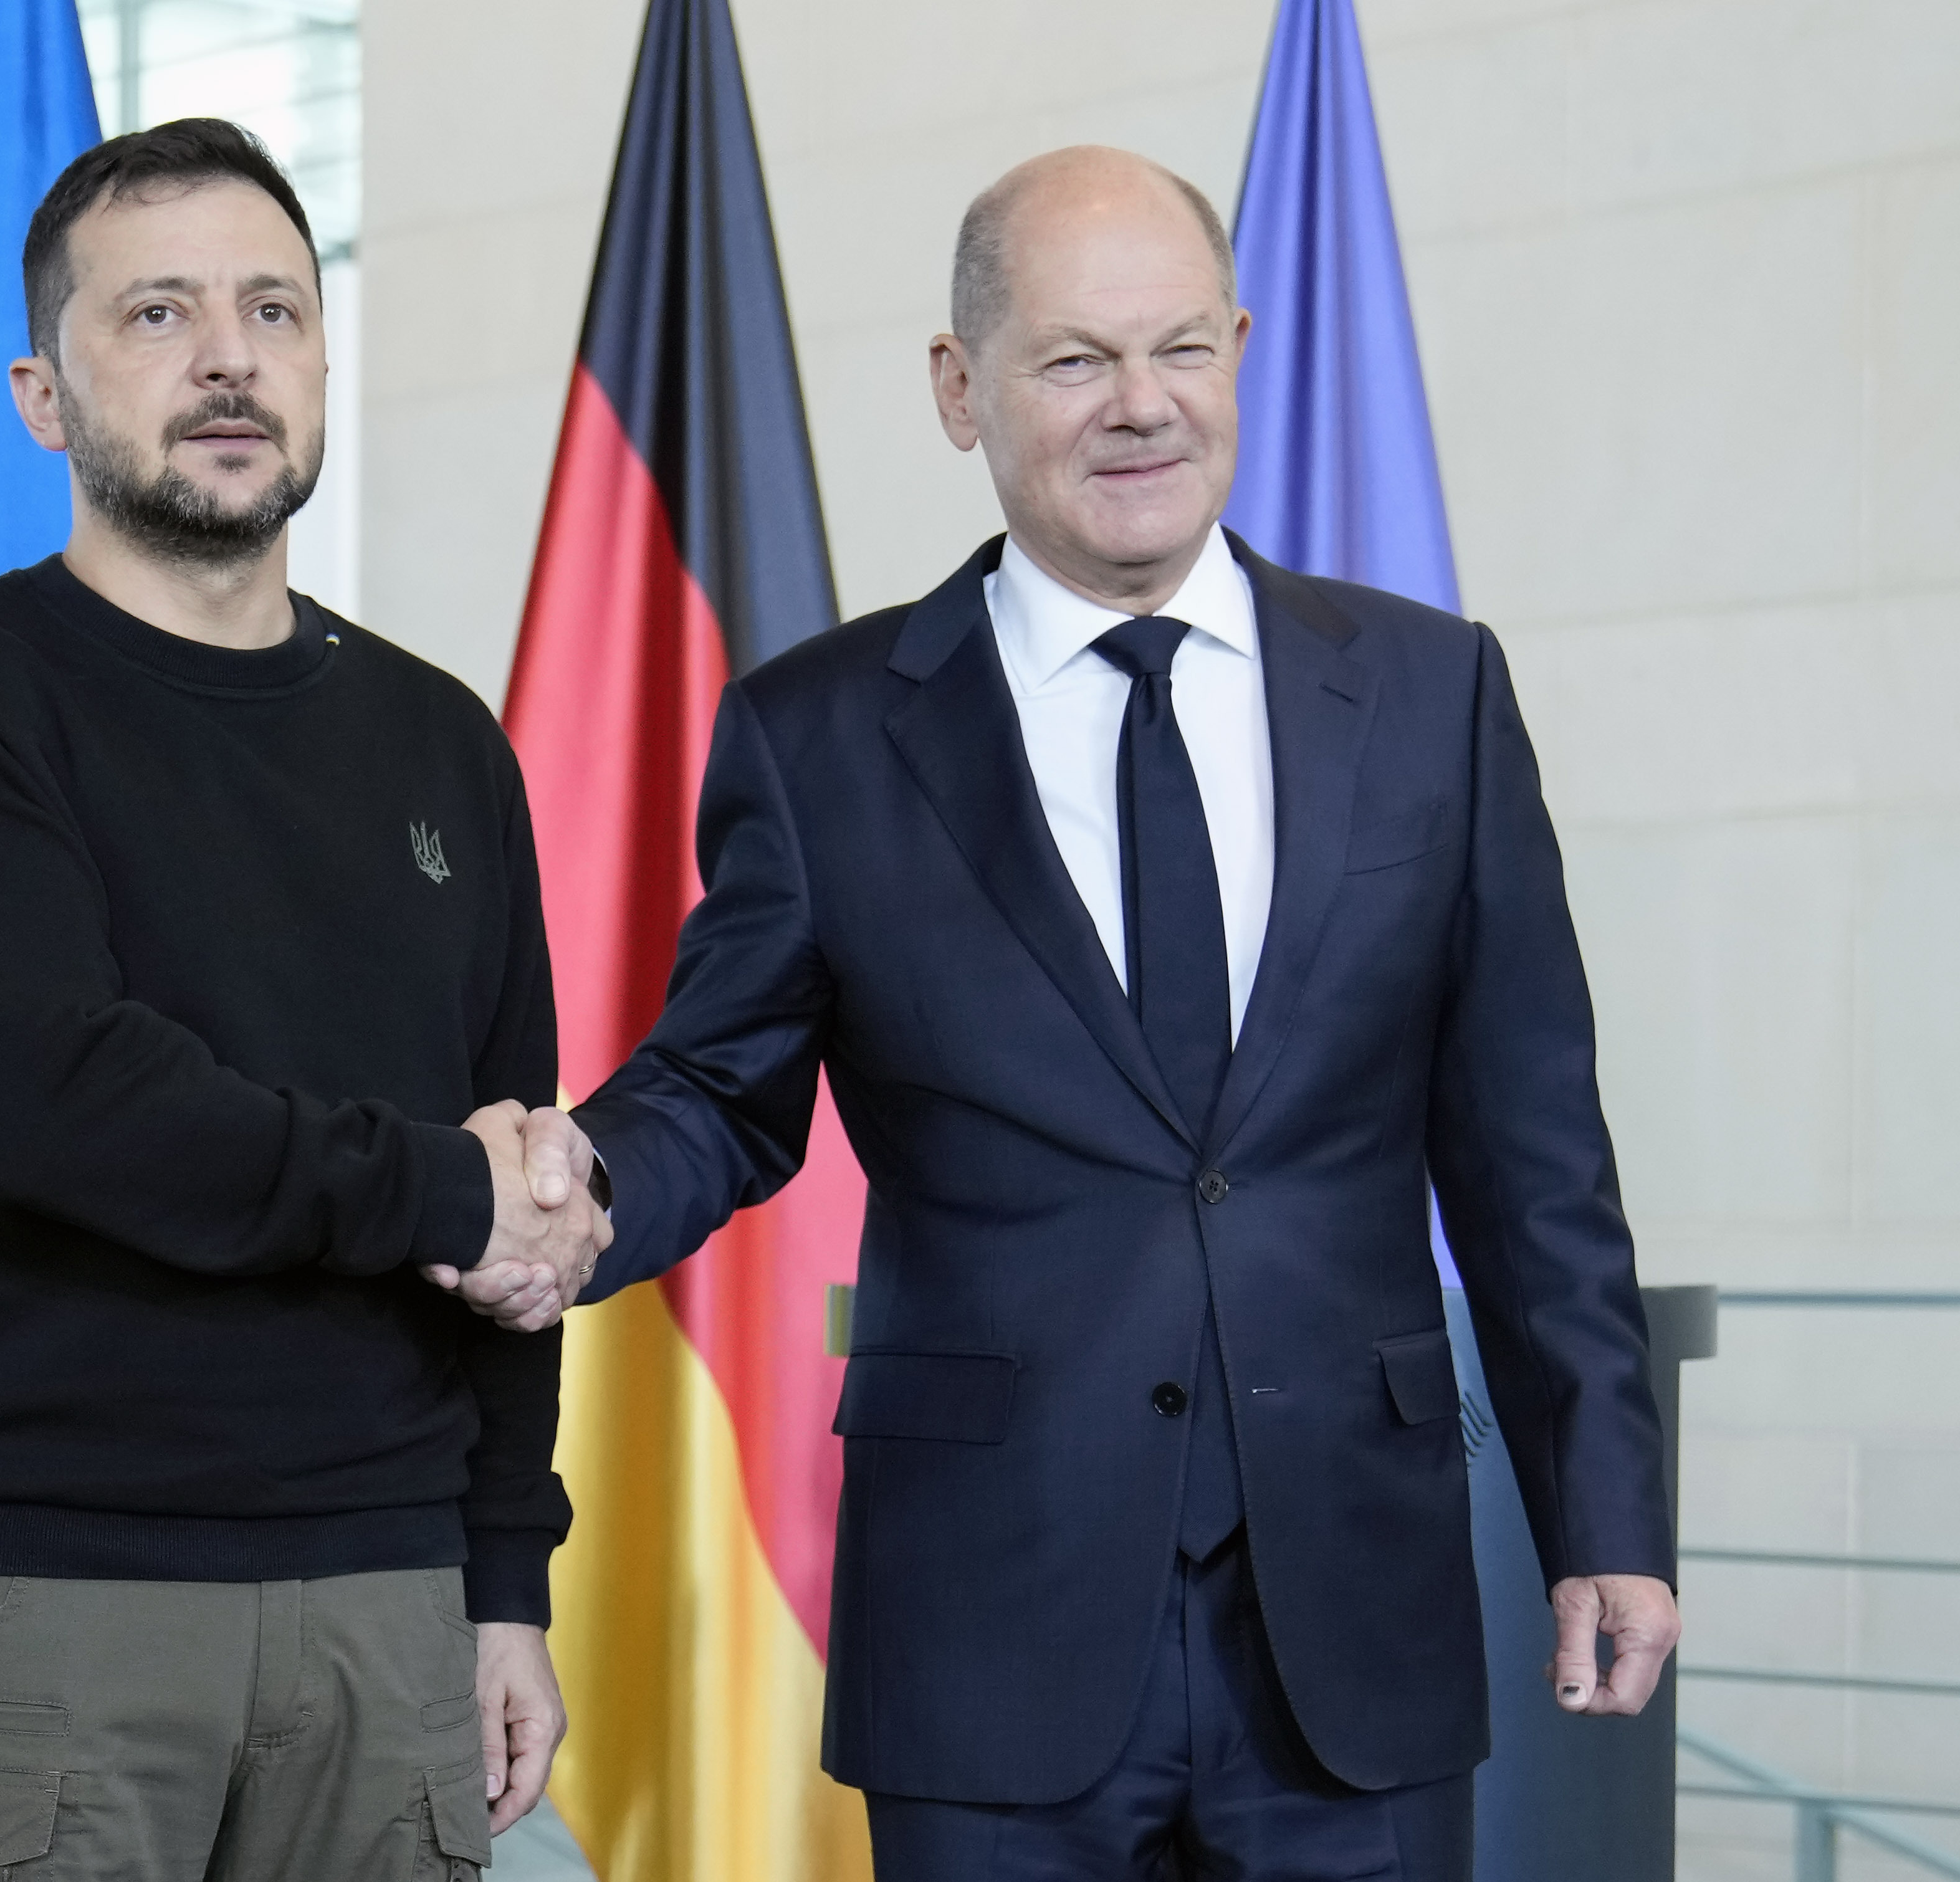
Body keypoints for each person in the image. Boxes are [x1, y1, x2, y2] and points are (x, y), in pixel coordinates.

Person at [476, 145, 1681, 1879]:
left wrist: (1605, 1516)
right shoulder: (816, 736)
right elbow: (719, 1092)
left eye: (1180, 349)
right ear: (959, 388)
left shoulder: (1431, 696)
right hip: (990, 1626)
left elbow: (1532, 1155)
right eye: (1071, 359)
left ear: (1241, 348)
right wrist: (566, 1195)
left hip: (1354, 1619)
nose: (1141, 407)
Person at [0, 118, 602, 1882]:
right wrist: (443, 1188)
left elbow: (521, 1188)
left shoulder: (441, 741)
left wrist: (501, 1579)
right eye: (157, 314)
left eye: (273, 310)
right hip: (47, 1600)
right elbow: (66, 1105)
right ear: (41, 392)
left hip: (391, 1608)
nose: (230, 357)